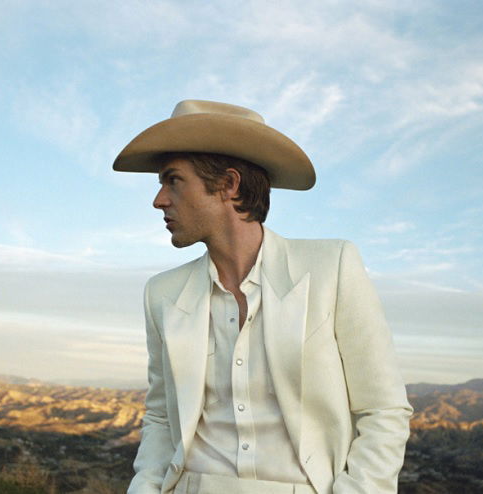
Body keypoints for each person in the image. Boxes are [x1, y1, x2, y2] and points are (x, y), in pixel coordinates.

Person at [113, 100, 412, 494]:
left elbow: (384, 410)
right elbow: (161, 418)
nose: (159, 200)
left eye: (173, 180)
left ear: (228, 184)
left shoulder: (331, 268)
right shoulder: (163, 293)